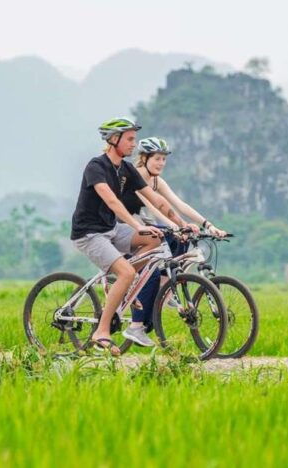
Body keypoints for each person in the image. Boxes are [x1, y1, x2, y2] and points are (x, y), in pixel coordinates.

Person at [70, 118, 196, 356]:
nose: (133, 144)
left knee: (156, 240)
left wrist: (181, 224)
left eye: (134, 139)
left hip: (112, 229)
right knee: (127, 272)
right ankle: (101, 332)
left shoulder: (125, 168)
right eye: (129, 139)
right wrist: (138, 226)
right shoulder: (96, 166)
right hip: (89, 233)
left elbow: (156, 199)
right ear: (113, 140)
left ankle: (127, 287)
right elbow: (112, 202)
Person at [120, 136, 227, 345]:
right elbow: (156, 207)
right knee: (154, 266)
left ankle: (166, 287)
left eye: (164, 159)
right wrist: (175, 226)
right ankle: (137, 324)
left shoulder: (157, 180)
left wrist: (209, 225)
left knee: (182, 242)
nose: (161, 163)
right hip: (124, 227)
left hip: (142, 224)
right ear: (144, 158)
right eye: (157, 158)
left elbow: (179, 204)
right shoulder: (136, 177)